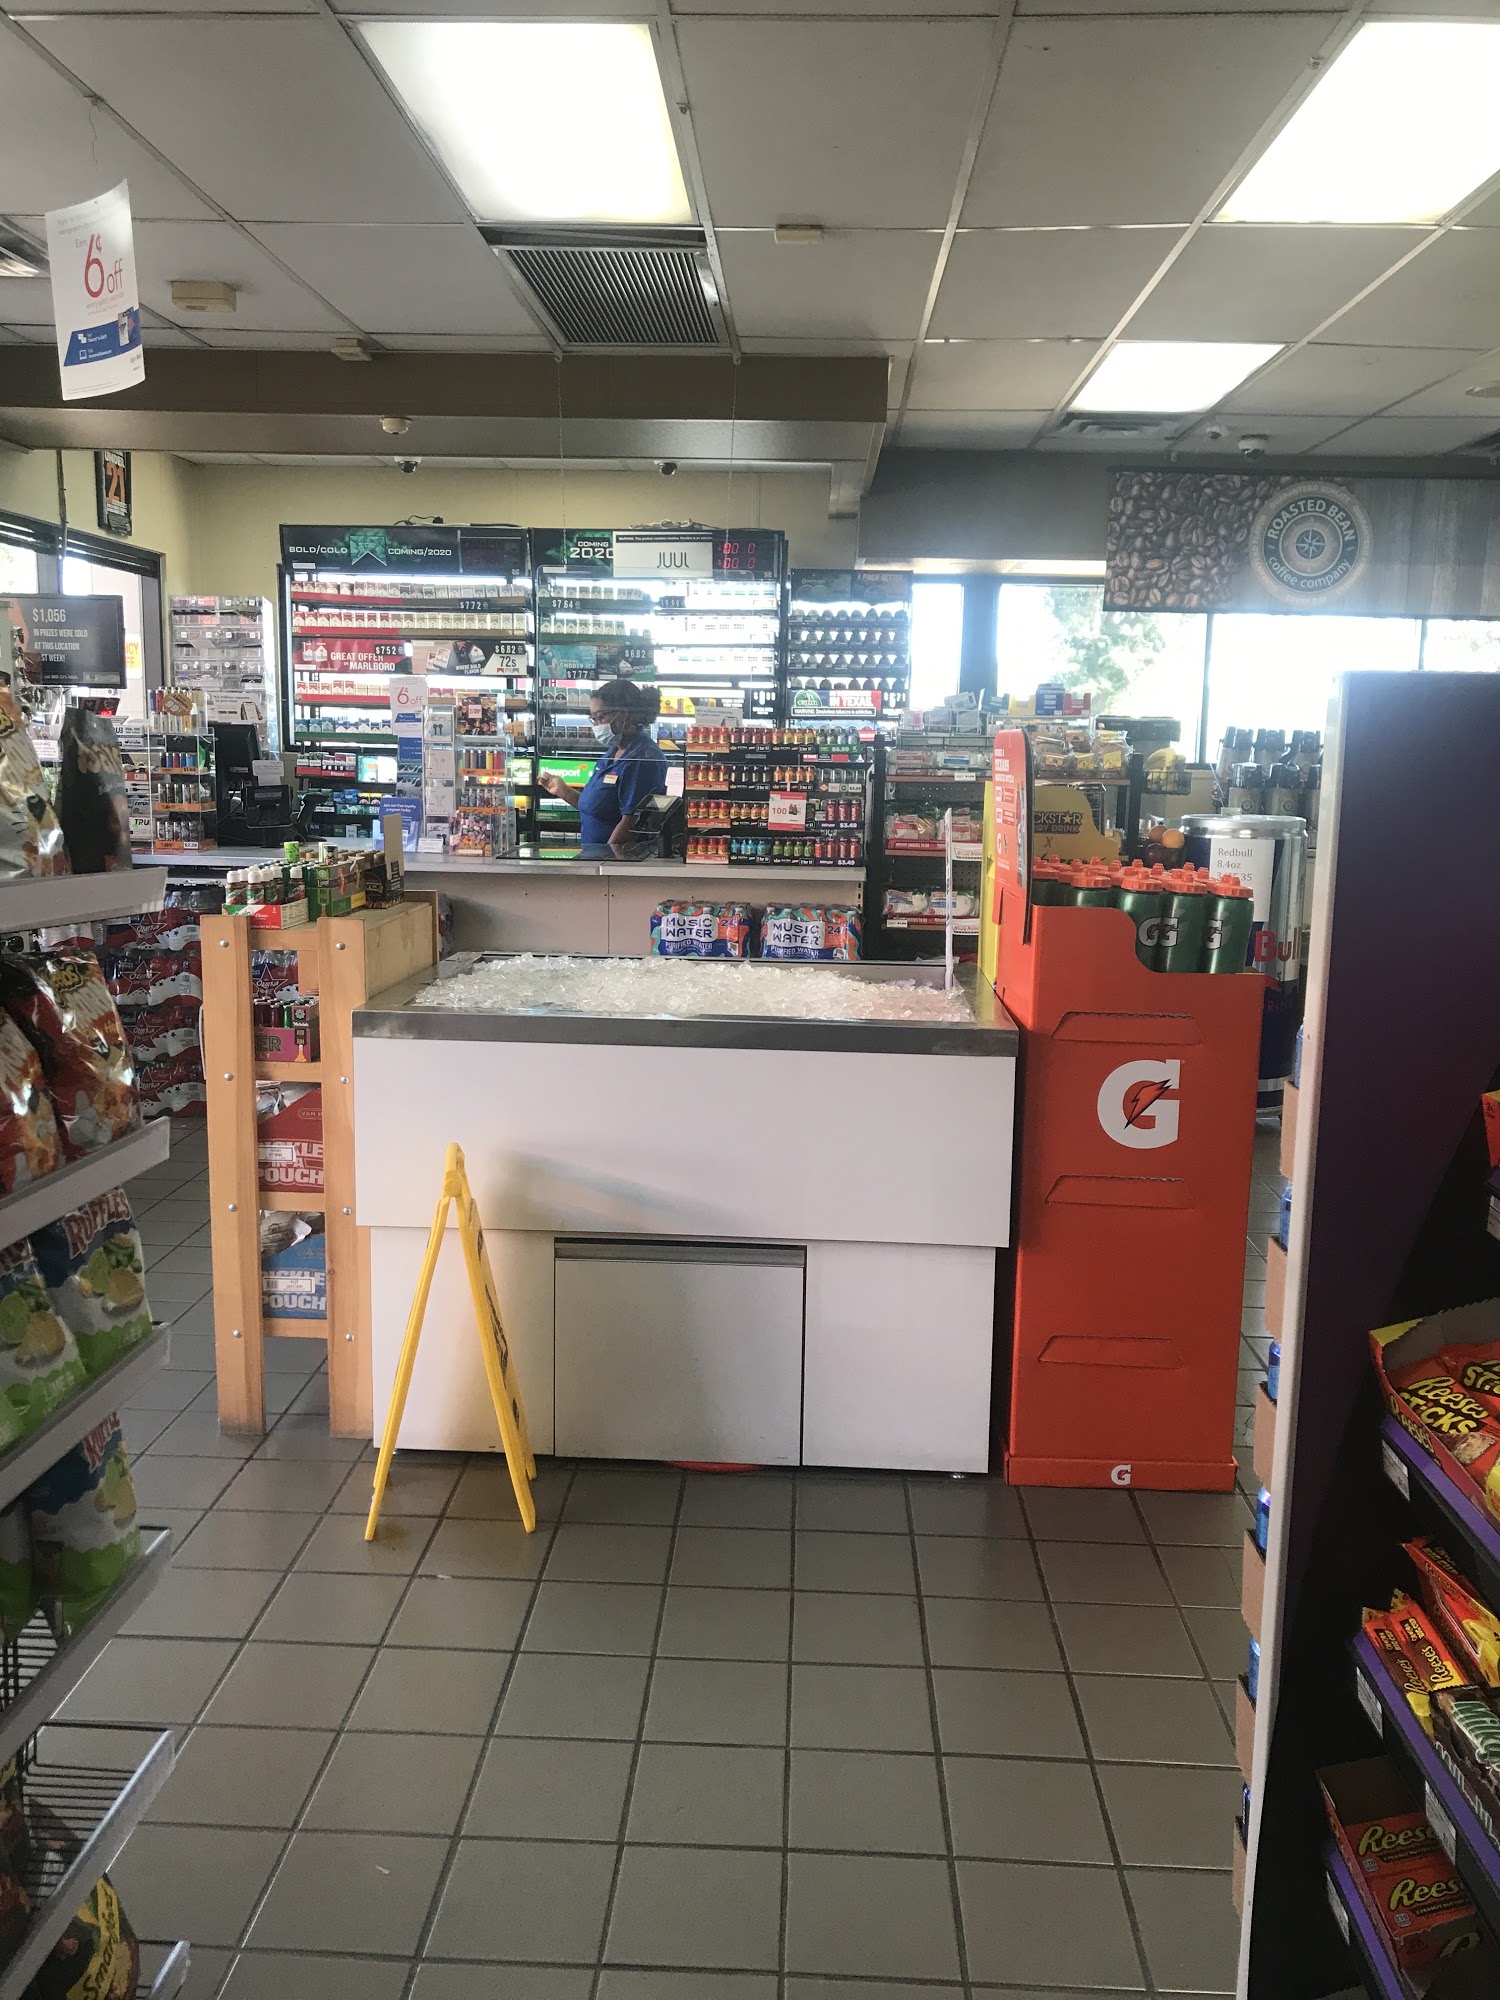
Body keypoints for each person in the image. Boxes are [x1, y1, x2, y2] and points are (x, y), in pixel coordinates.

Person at [539, 676, 668, 848]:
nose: (596, 725)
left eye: (600, 717)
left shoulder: (642, 758)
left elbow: (631, 823)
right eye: (593, 718)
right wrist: (562, 790)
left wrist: (606, 857)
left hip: (617, 860)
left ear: (625, 715)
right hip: (595, 856)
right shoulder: (613, 752)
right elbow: (596, 807)